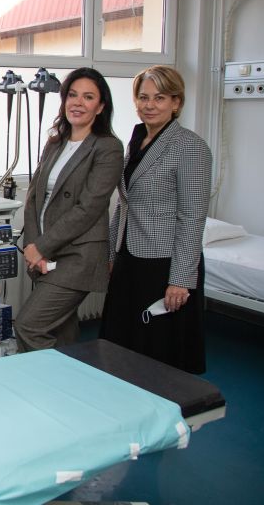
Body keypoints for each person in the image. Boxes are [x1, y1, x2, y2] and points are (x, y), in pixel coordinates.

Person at [99, 65, 212, 374]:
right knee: (122, 342)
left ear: (176, 102)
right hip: (130, 256)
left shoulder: (189, 146)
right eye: (143, 97)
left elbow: (192, 218)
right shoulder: (137, 141)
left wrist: (181, 279)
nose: (149, 105)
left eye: (159, 98)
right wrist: (112, 254)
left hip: (164, 263)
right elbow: (125, 204)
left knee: (157, 351)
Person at [16, 67, 124, 352]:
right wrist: (32, 247)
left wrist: (41, 247)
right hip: (45, 251)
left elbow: (88, 208)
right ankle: (70, 377)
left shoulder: (108, 148)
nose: (78, 102)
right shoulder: (56, 142)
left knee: (29, 326)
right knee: (61, 333)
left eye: (88, 97)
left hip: (78, 257)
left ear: (100, 106)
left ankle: (45, 380)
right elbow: (34, 198)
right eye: (72, 95)